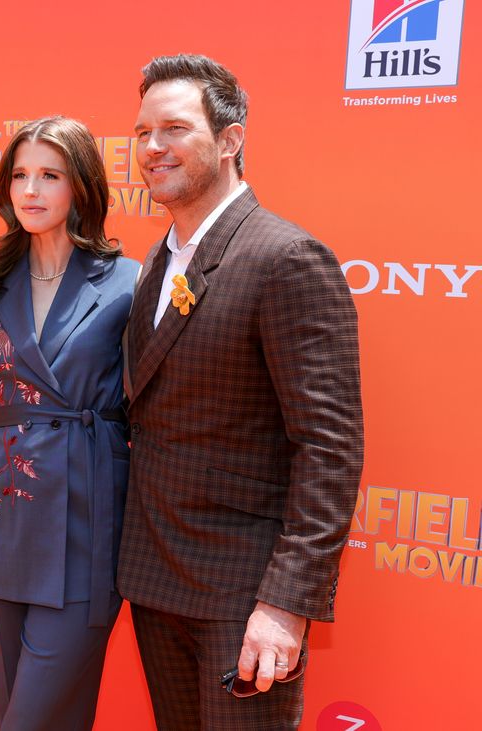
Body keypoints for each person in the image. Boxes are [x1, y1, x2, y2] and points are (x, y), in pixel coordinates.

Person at [117, 54, 364, 730]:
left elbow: (329, 449)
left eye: (174, 129)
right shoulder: (156, 260)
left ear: (230, 141)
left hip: (245, 595)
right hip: (154, 578)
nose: (152, 147)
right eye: (142, 133)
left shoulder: (286, 258)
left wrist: (285, 604)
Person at [0, 116, 140, 730]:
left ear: (81, 187)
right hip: (4, 512)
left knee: (29, 718)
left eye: (50, 176)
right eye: (20, 176)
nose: (31, 190)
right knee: (24, 705)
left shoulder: (129, 283)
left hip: (89, 518)